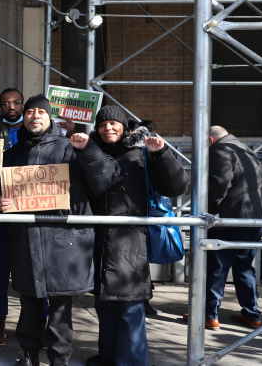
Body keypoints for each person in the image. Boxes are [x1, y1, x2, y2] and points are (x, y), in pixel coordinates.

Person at [0, 95, 120, 366]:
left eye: (41, 111)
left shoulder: (71, 147)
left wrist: (86, 148)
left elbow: (103, 179)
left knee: (61, 309)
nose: (35, 116)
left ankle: (59, 360)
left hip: (63, 243)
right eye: (30, 112)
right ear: (24, 118)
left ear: (50, 117)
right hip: (26, 239)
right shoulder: (12, 154)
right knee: (28, 302)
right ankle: (27, 355)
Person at [85, 108, 187, 366]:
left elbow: (176, 186)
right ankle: (107, 356)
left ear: (124, 126)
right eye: (103, 124)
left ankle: (130, 362)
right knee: (105, 304)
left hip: (131, 241)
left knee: (130, 306)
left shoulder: (141, 152)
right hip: (98, 240)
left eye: (114, 123)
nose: (108, 128)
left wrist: (161, 153)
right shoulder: (92, 152)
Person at [182, 126, 262, 331]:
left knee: (216, 266)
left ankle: (209, 315)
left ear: (210, 140)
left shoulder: (220, 150)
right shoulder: (247, 150)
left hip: (232, 218)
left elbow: (219, 185)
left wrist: (203, 211)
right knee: (245, 265)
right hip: (255, 219)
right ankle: (253, 314)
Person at [0, 87, 24, 346]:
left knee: (32, 271)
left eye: (16, 103)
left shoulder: (38, 126)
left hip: (29, 208)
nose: (11, 107)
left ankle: (39, 322)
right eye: (5, 103)